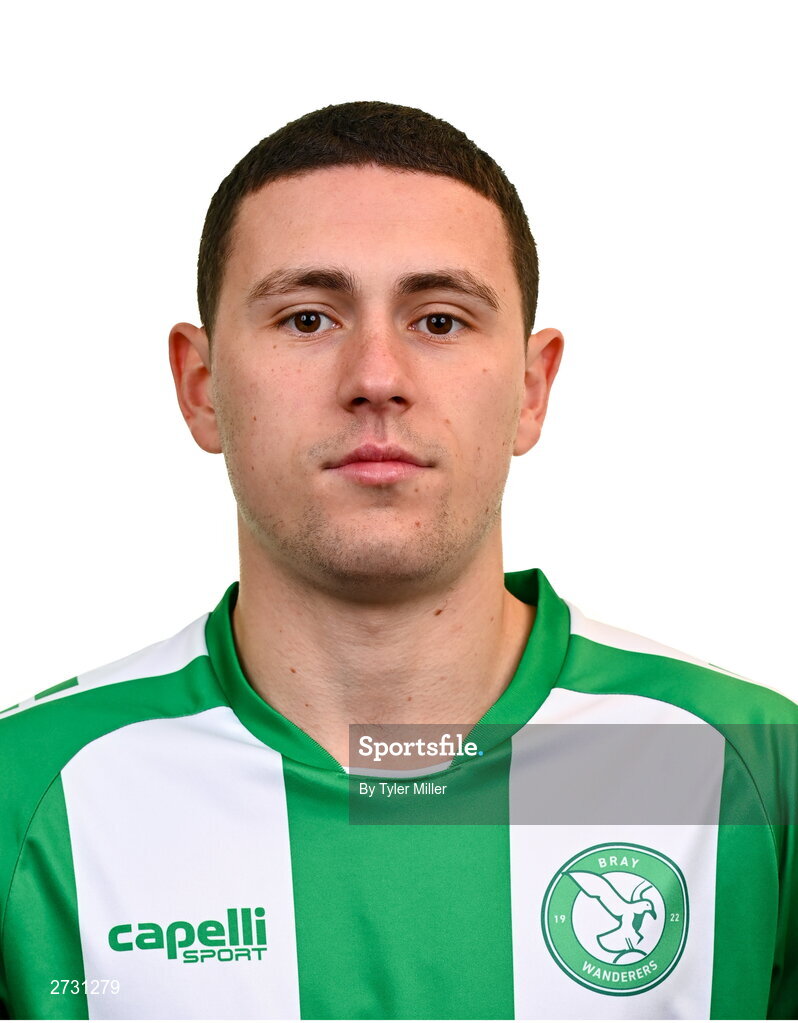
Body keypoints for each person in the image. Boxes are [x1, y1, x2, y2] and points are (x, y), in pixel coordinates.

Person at [0, 101, 794, 1021]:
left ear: (533, 389)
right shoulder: (30, 791)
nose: (376, 375)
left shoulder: (759, 769)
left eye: (441, 320)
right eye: (306, 318)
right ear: (201, 385)